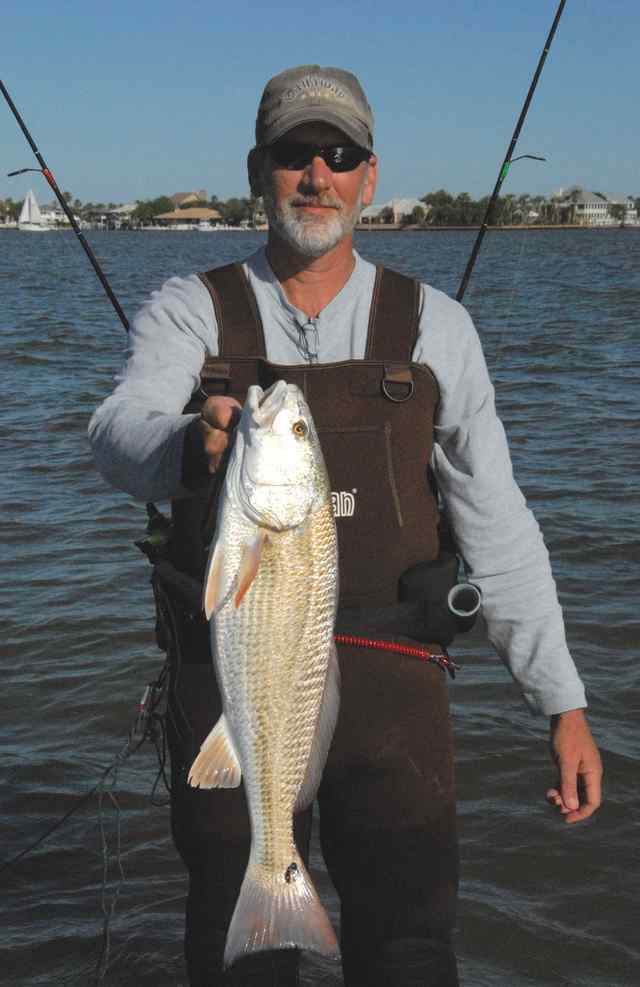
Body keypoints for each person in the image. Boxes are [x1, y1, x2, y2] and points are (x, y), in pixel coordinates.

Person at [89, 65, 603, 987]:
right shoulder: (189, 308)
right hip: (234, 681)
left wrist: (562, 703)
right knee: (237, 960)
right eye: (295, 153)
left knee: (411, 952)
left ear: (370, 176)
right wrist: (187, 444)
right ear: (259, 171)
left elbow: (499, 523)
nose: (317, 174)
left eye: (340, 153)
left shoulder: (438, 327)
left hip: (395, 696)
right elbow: (116, 433)